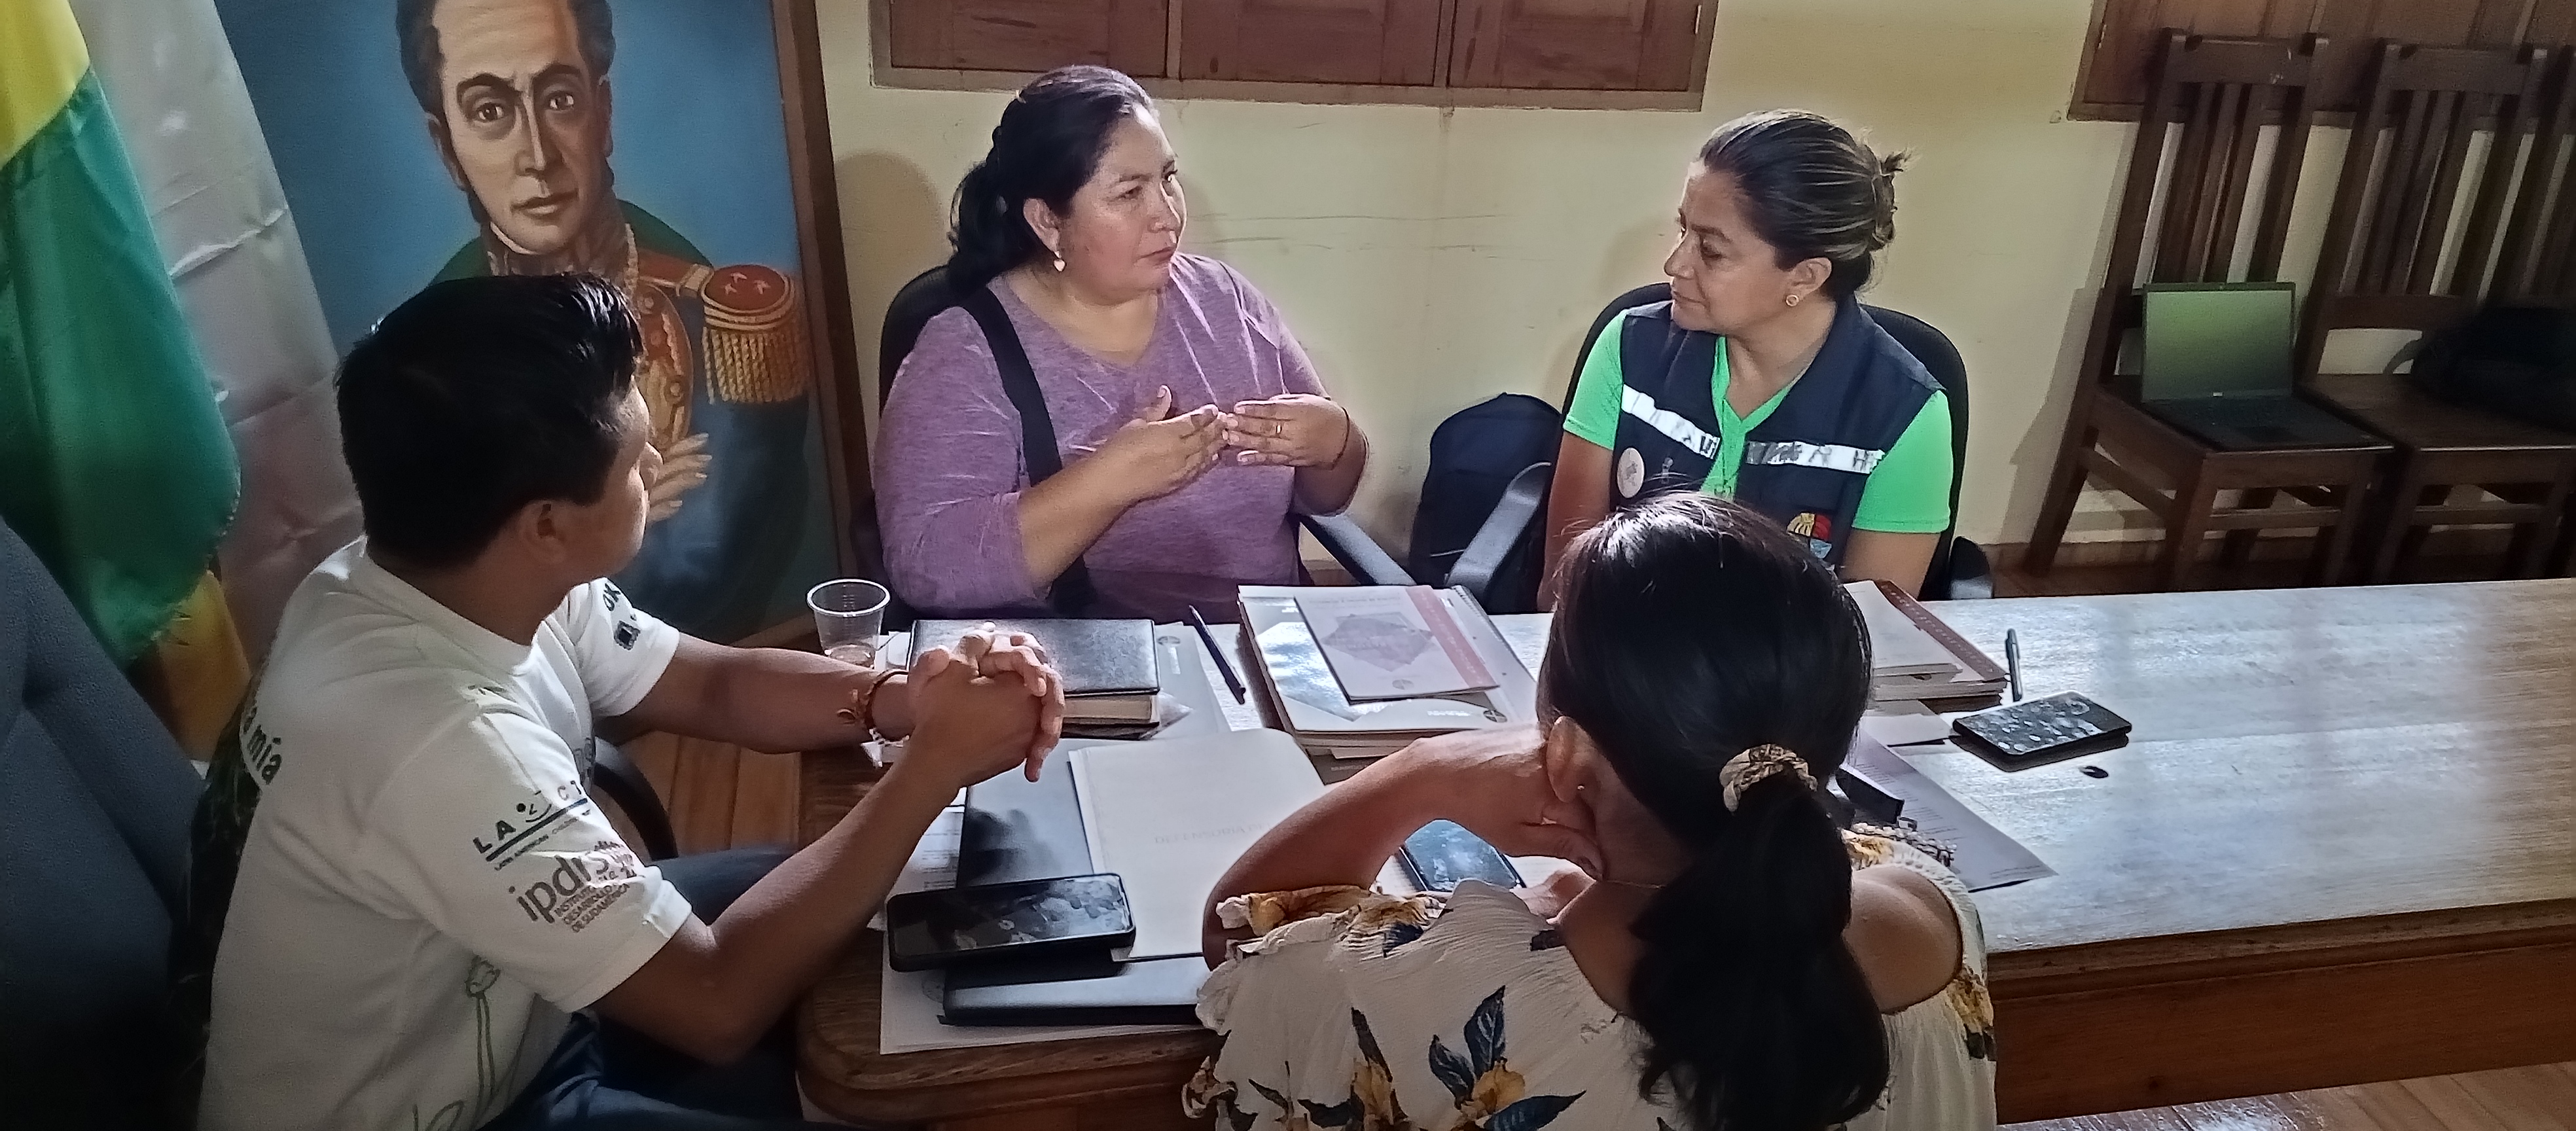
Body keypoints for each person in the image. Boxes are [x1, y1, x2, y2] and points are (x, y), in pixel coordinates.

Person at [196, 275, 1065, 1131]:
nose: (655, 461)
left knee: (920, 891)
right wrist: (931, 769)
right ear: (546, 524)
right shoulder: (440, 742)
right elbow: (715, 1002)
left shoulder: (430, 574)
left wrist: (898, 698)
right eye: (633, 454)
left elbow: (710, 682)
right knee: (870, 946)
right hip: (482, 1103)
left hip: (521, 1007)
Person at [1191, 494, 1995, 1130]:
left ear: (1569, 756)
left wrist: (1421, 771)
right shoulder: (1931, 903)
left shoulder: (1440, 990)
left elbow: (1243, 949)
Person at [875, 65, 1370, 622]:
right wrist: (1110, 481)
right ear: (1047, 221)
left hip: (1273, 645)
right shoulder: (967, 352)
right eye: (1129, 193)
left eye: (1168, 178)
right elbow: (927, 566)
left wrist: (1338, 441)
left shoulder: (1225, 298)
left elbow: (1324, 497)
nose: (1167, 214)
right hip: (1112, 672)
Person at [399, 0, 816, 641]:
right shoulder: (428, 359)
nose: (537, 156)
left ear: (605, 114)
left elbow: (757, 543)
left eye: (559, 99)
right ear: (446, 147)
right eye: (490, 112)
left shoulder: (717, 311)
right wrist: (624, 521)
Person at [1543, 110, 1955, 599]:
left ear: (1804, 277)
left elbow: (1869, 636)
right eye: (1683, 232)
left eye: (1712, 251)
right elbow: (1565, 585)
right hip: (1617, 657)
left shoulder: (1903, 415)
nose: (1675, 264)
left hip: (1786, 675)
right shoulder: (1630, 348)